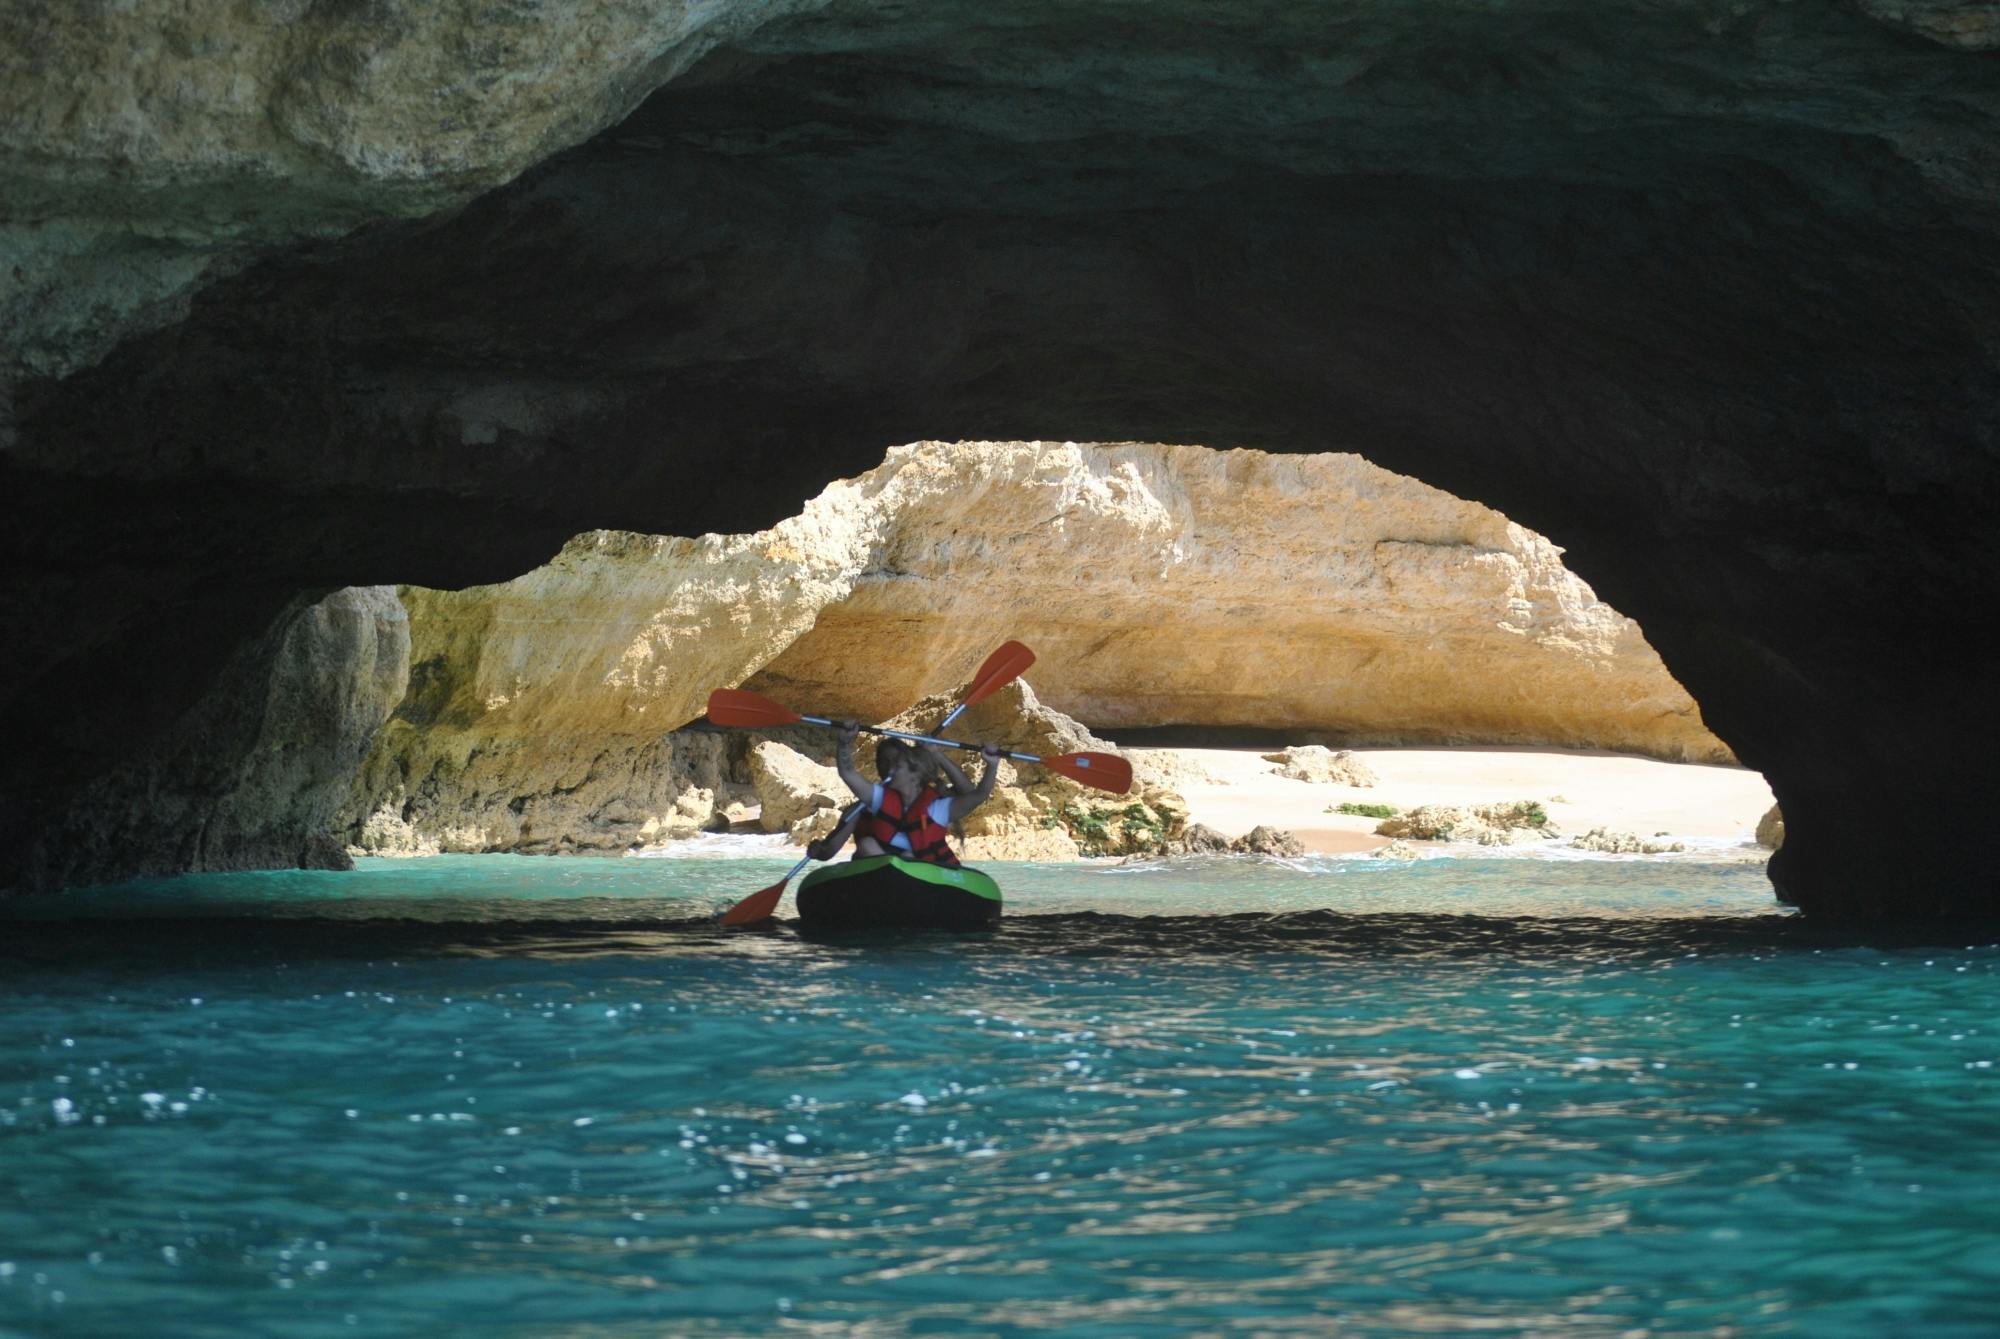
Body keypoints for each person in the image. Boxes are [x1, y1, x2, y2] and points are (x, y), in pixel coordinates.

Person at [819, 721, 1001, 867]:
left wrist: (936, 754)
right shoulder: (866, 805)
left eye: (896, 762)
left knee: (907, 855)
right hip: (877, 879)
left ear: (915, 773)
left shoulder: (934, 806)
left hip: (919, 879)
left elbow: (971, 794)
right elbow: (826, 853)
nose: (889, 766)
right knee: (868, 846)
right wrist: (844, 742)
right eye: (883, 761)